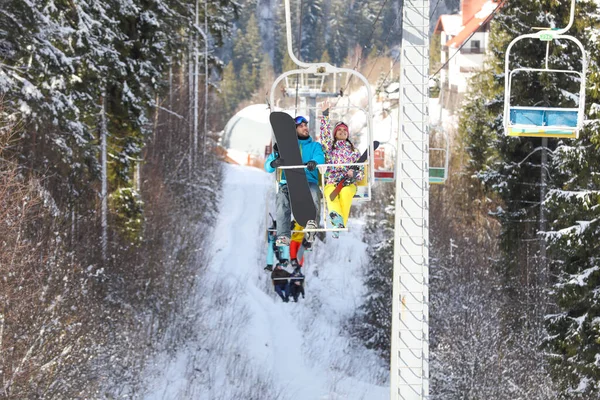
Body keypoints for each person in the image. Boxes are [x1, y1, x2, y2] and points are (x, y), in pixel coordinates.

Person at [264, 116, 325, 247]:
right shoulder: (285, 147)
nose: (305, 128)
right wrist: (274, 162)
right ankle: (283, 235)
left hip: (308, 181)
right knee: (282, 200)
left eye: (305, 125)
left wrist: (314, 162)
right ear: (294, 129)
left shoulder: (314, 146)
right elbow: (267, 166)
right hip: (289, 181)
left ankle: (312, 226)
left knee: (314, 193)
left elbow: (320, 157)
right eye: (301, 126)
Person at [319, 100, 364, 238]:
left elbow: (361, 173)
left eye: (345, 130)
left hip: (348, 182)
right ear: (335, 133)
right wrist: (325, 114)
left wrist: (354, 173)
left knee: (345, 194)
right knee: (331, 193)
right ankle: (338, 222)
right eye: (340, 130)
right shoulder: (329, 149)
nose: (343, 132)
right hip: (332, 180)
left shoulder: (354, 151)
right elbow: (324, 135)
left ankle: (338, 223)